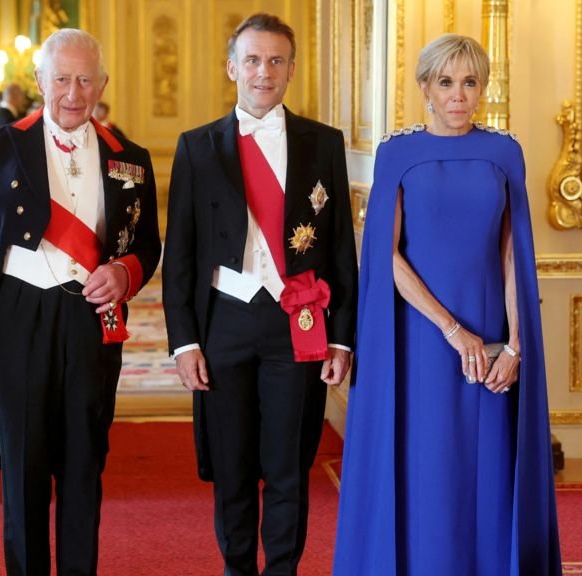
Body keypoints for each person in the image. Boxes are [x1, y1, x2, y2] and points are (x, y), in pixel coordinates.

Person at [332, 34, 561, 575]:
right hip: (419, 340)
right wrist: (452, 330)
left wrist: (517, 346)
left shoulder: (504, 153)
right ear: (425, 88)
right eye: (445, 82)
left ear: (482, 89)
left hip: (492, 339)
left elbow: (513, 256)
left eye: (470, 82)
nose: (458, 95)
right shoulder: (398, 153)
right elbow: (385, 256)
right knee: (426, 467)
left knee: (485, 468)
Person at [0, 28, 160, 575]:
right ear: (40, 81)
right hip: (19, 318)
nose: (73, 93)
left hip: (91, 322)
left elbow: (148, 244)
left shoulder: (131, 158)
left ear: (102, 84)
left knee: (83, 466)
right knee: (23, 469)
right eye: (62, 79)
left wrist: (124, 272)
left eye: (85, 79)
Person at [163, 13, 357, 575]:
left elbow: (339, 248)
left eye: (275, 61)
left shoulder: (324, 143)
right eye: (252, 60)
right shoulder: (197, 147)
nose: (263, 72)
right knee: (233, 466)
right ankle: (238, 568)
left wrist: (342, 338)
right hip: (223, 321)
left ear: (292, 69)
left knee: (289, 464)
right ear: (232, 68)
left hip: (299, 324)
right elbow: (180, 256)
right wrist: (184, 343)